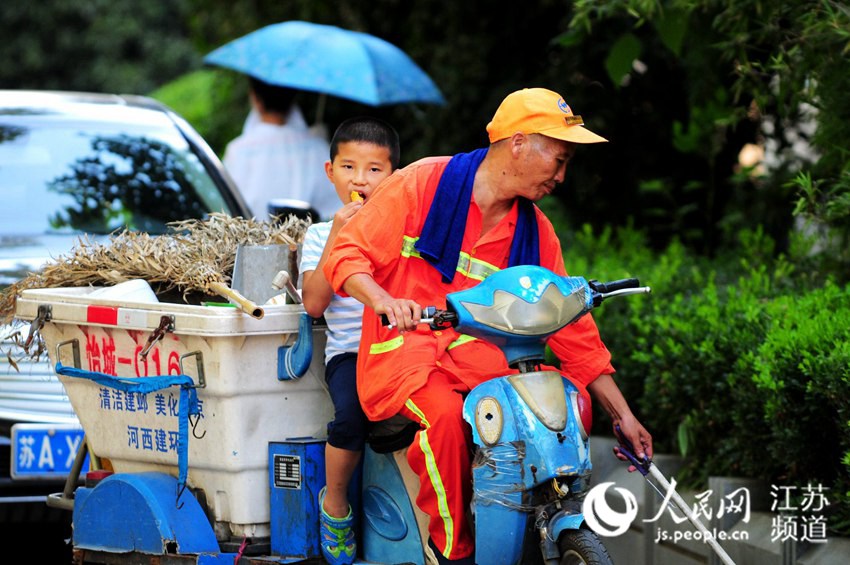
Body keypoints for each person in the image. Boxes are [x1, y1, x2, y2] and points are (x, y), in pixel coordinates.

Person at [323, 87, 654, 564]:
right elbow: (348, 253)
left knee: (558, 406)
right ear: (518, 143)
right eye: (557, 159)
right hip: (403, 357)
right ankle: (452, 551)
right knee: (444, 421)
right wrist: (382, 299)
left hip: (483, 364)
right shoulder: (420, 184)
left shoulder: (536, 230)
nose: (562, 176)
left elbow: (569, 327)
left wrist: (622, 416)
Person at [299, 116, 401, 565]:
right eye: (349, 167)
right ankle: (335, 502)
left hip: (402, 350)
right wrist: (339, 236)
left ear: (395, 175)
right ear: (330, 171)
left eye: (375, 169)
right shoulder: (319, 233)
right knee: (351, 418)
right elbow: (314, 304)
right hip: (351, 355)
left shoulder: (406, 232)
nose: (360, 179)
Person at [223, 77, 339, 221]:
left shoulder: (238, 151)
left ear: (254, 97)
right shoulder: (318, 148)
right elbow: (334, 210)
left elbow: (226, 209)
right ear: (293, 98)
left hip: (252, 242)